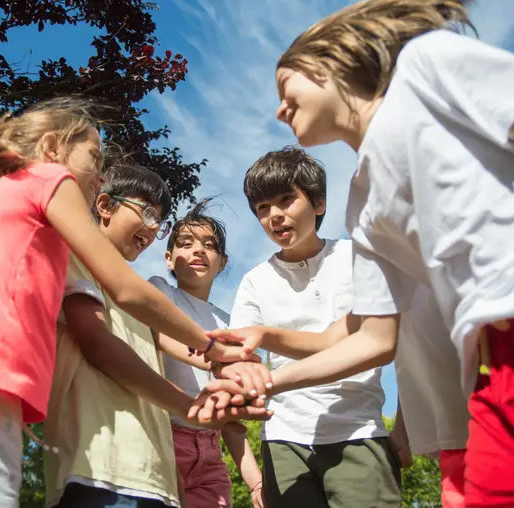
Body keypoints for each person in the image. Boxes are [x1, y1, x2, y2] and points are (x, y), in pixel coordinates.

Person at [202, 1, 514, 505]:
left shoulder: (425, 69)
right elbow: (369, 337)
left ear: (326, 69)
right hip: (482, 380)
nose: (280, 110)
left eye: (286, 90)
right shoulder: (365, 204)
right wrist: (263, 384)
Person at [0, 97, 252, 507]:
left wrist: (218, 361)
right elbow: (125, 291)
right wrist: (214, 351)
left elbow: (156, 333)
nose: (100, 176)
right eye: (94, 157)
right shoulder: (46, 178)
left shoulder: (37, 225)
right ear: (53, 148)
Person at [44, 167, 272, 508]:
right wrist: (194, 397)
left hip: (156, 468)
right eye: (147, 213)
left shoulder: (215, 319)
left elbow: (170, 344)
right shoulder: (127, 285)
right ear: (103, 205)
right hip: (99, 466)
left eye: (159, 220)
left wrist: (225, 362)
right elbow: (103, 343)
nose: (152, 228)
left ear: (223, 262)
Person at [227, 147, 400, 508]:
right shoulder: (255, 281)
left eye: (286, 200)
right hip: (284, 439)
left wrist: (404, 431)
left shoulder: (359, 260)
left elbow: (378, 343)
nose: (275, 215)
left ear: (319, 203)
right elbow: (238, 357)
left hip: (359, 429)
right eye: (263, 208)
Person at [149, 199, 267, 508]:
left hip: (210, 455)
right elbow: (158, 334)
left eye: (209, 245)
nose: (198, 250)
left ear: (223, 262)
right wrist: (216, 358)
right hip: (162, 441)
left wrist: (255, 480)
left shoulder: (229, 324)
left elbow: (230, 418)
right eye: (186, 244)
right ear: (169, 258)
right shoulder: (161, 291)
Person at [391, 284, 469, 508]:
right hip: (454, 437)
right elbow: (411, 364)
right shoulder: (381, 267)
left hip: (496, 415)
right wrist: (400, 429)